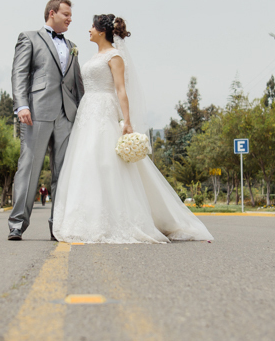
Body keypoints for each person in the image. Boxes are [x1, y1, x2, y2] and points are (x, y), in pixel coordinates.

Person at [52, 15, 213, 244]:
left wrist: (126, 121)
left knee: (106, 162)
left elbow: (121, 89)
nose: (88, 30)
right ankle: (84, 218)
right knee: (87, 160)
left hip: (105, 110)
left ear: (102, 31)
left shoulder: (115, 56)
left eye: (92, 27)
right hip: (88, 111)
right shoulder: (95, 56)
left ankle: (118, 220)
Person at [7, 0, 85, 241]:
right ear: (52, 13)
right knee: (29, 167)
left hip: (67, 115)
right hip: (36, 112)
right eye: (66, 14)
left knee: (63, 172)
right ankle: (17, 223)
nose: (70, 18)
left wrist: (83, 112)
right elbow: (19, 72)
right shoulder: (29, 38)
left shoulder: (72, 45)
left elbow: (77, 82)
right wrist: (22, 105)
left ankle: (58, 225)